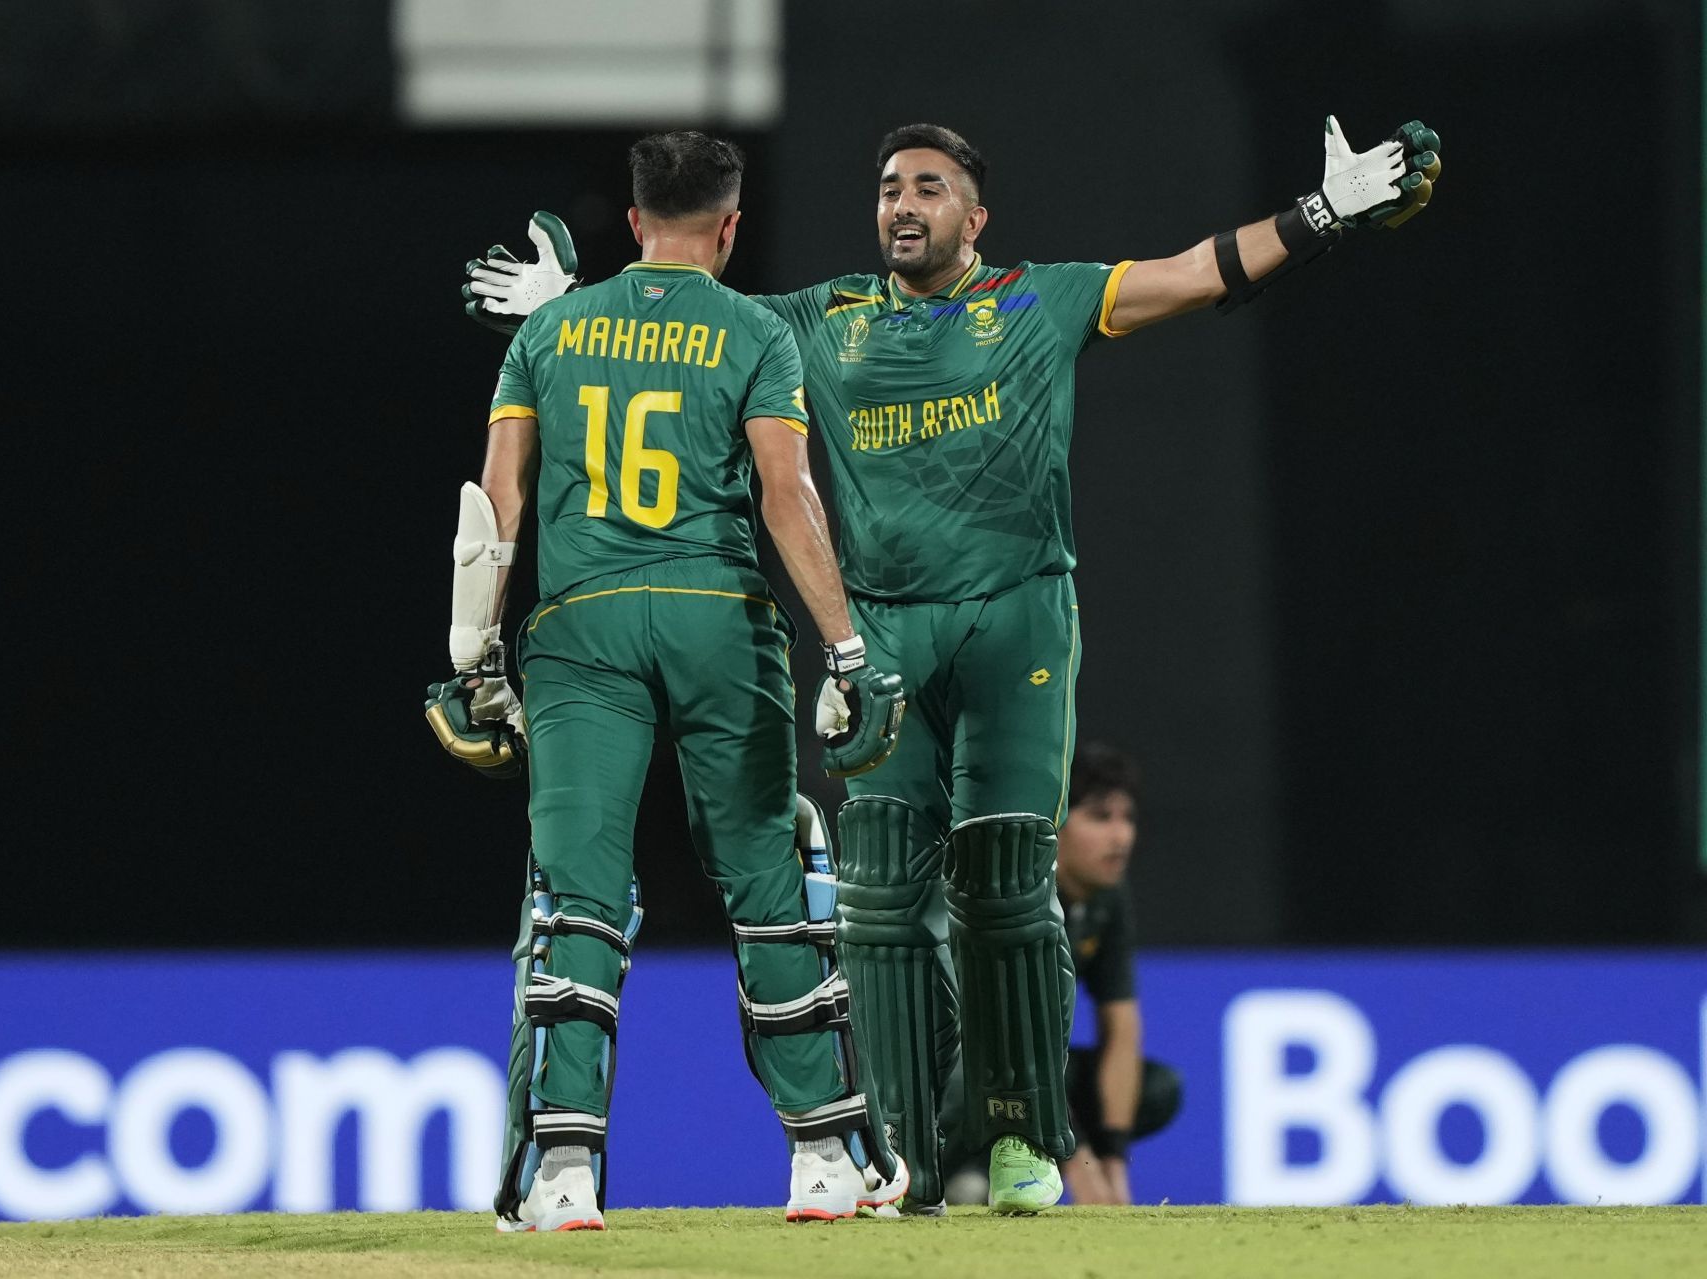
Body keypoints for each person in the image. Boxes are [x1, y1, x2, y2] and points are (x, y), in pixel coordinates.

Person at [463, 114, 1442, 1216]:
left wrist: (1319, 216)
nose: (902, 203)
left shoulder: (1042, 298)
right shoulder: (815, 324)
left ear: (975, 217)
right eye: (887, 187)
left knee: (1005, 888)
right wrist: (570, 303)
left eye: (929, 187)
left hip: (1015, 621)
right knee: (876, 900)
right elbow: (679, 325)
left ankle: (1024, 1137)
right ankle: (899, 1155)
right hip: (882, 629)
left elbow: (1191, 275)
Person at [425, 131, 911, 1232]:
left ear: (635, 221)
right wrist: (846, 650)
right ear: (730, 228)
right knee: (767, 884)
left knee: (577, 891)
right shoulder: (753, 332)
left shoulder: (546, 334)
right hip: (716, 619)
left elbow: (493, 505)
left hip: (580, 628)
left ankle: (561, 1178)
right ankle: (827, 1159)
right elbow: (788, 496)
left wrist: (470, 659)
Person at [1052, 742, 1182, 1205]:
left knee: (1160, 1090)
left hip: (1035, 1074)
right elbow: (1006, 1048)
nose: (1121, 836)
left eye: (1127, 818)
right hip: (959, 1076)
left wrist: (1114, 1163)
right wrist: (1081, 1168)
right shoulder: (1018, 895)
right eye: (1100, 817)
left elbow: (1121, 1030)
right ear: (1056, 824)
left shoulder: (1107, 898)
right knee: (1002, 1075)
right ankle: (961, 1173)